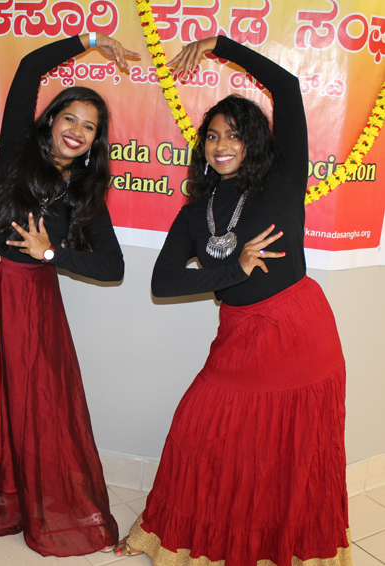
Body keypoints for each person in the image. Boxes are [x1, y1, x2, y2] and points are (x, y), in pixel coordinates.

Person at [116, 35, 352, 566]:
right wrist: (233, 267)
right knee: (201, 428)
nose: (222, 144)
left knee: (288, 451)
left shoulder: (282, 182)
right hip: (240, 334)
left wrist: (221, 45)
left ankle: (281, 546)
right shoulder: (194, 211)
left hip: (299, 333)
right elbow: (164, 282)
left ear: (254, 143)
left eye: (235, 135)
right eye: (213, 136)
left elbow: (287, 89)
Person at [0, 33, 138, 557]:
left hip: (29, 300)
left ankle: (19, 501)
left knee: (30, 402)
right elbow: (27, 69)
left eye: (89, 128)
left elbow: (113, 268)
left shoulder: (87, 192)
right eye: (70, 119)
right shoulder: (18, 149)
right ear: (51, 120)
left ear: (95, 142)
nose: (77, 132)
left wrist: (49, 253)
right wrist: (87, 41)